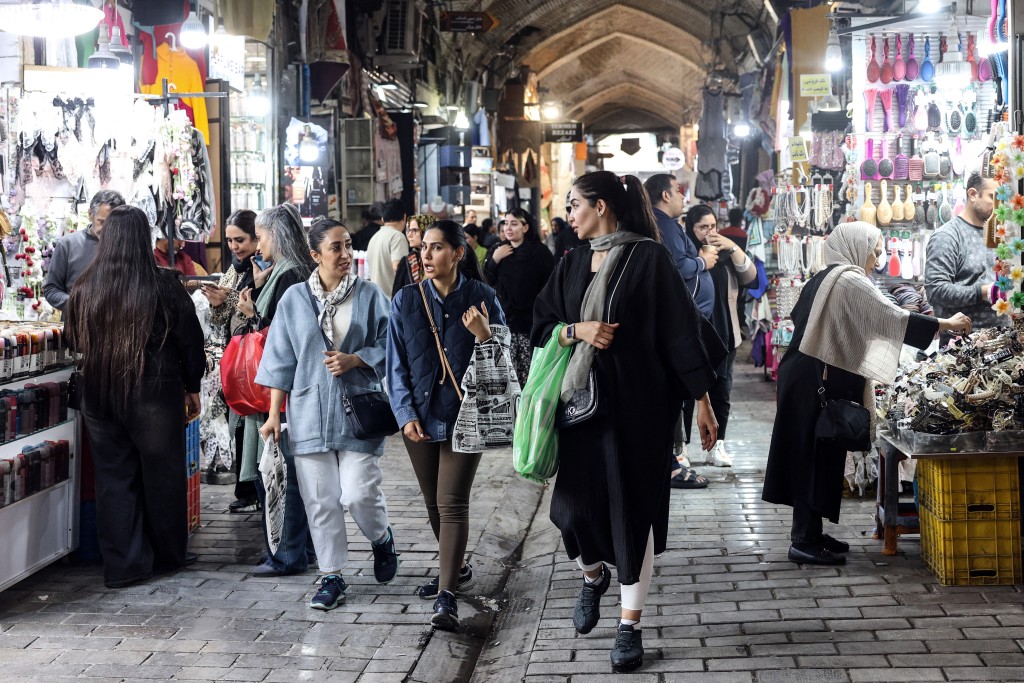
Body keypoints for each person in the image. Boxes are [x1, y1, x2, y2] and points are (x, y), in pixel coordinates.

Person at [532, 171, 719, 673]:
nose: (569, 215)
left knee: (633, 516)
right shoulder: (570, 263)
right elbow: (541, 322)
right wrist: (577, 330)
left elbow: (681, 334)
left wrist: (702, 400)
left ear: (602, 206)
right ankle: (592, 577)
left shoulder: (648, 259)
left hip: (639, 412)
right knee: (570, 513)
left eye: (574, 205)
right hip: (579, 411)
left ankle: (629, 626)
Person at [763, 222, 972, 566]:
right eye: (875, 250)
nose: (878, 258)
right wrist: (946, 324)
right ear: (856, 247)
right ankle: (802, 540)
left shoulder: (825, 277)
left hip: (808, 376)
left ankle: (812, 534)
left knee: (819, 454)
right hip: (815, 380)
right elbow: (890, 316)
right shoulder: (849, 280)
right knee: (813, 457)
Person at [257, 218, 399, 610]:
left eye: (348, 245)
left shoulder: (370, 296)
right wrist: (273, 415)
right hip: (307, 411)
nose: (345, 254)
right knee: (321, 500)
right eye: (335, 247)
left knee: (357, 493)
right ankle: (332, 575)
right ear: (315, 255)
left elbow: (392, 345)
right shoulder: (295, 300)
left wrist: (358, 358)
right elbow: (280, 360)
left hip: (359, 412)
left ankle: (381, 537)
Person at [64, 205, 205, 588]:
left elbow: (72, 339)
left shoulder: (84, 286)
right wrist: (193, 386)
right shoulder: (164, 284)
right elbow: (191, 341)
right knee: (163, 476)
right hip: (155, 394)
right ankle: (167, 556)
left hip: (99, 393)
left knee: (114, 478)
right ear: (143, 238)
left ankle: (124, 565)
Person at [386, 220, 505, 631]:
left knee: (451, 502)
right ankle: (456, 568)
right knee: (434, 502)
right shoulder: (405, 300)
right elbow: (395, 364)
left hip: (466, 415)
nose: (427, 255)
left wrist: (484, 334)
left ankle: (447, 595)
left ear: (458, 252)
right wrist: (404, 415)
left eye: (438, 248)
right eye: (424, 248)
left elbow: (505, 359)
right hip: (419, 414)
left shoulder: (482, 295)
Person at [236, 203, 317, 576]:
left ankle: (287, 554)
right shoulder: (285, 273)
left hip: (286, 391)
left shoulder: (290, 276)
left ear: (276, 236)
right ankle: (301, 550)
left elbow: (280, 339)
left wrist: (251, 314)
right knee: (293, 475)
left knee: (284, 476)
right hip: (290, 389)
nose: (257, 245)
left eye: (261, 236)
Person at [644, 174, 716, 487]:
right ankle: (671, 462)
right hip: (679, 323)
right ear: (665, 195)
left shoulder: (666, 225)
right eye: (679, 191)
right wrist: (701, 262)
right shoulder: (665, 227)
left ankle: (672, 458)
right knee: (674, 392)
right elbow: (677, 266)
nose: (682, 197)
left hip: (683, 320)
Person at [202, 209, 273, 513]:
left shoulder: (265, 267)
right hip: (238, 356)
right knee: (240, 424)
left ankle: (257, 489)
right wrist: (219, 303)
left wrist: (230, 300)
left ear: (257, 238)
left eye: (240, 240)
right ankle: (247, 489)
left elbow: (258, 308)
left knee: (254, 423)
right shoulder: (233, 270)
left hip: (258, 356)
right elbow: (222, 319)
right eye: (230, 241)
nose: (234, 246)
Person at [684, 205, 756, 468]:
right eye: (702, 227)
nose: (708, 232)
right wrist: (701, 258)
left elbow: (751, 277)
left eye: (713, 226)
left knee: (721, 390)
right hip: (692, 334)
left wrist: (732, 247)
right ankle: (682, 448)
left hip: (725, 332)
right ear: (691, 229)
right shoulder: (687, 256)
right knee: (686, 393)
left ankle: (717, 446)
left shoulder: (726, 254)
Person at [925, 171, 1004, 344]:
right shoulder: (947, 237)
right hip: (963, 349)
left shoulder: (999, 234)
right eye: (993, 197)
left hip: (1002, 343)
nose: (999, 205)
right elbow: (935, 291)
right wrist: (984, 292)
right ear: (973, 194)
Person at [484, 209, 555, 383]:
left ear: (525, 227)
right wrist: (494, 260)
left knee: (529, 378)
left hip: (530, 325)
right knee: (505, 380)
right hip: (504, 324)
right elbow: (486, 280)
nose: (508, 228)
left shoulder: (540, 253)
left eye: (514, 223)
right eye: (506, 223)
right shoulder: (497, 249)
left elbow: (549, 287)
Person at [44, 190, 126, 311]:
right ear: (90, 214)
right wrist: (77, 304)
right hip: (76, 325)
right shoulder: (68, 244)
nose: (106, 229)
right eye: (101, 222)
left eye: (112, 224)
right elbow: (51, 289)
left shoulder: (127, 247)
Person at [366, 198, 409, 298]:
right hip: (392, 301)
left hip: (377, 300)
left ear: (382, 219)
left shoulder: (375, 237)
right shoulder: (397, 237)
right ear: (404, 217)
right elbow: (398, 267)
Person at [392, 214, 435, 292]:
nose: (409, 235)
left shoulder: (439, 258)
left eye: (414, 230)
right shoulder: (406, 261)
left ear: (426, 230)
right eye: (408, 230)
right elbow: (396, 295)